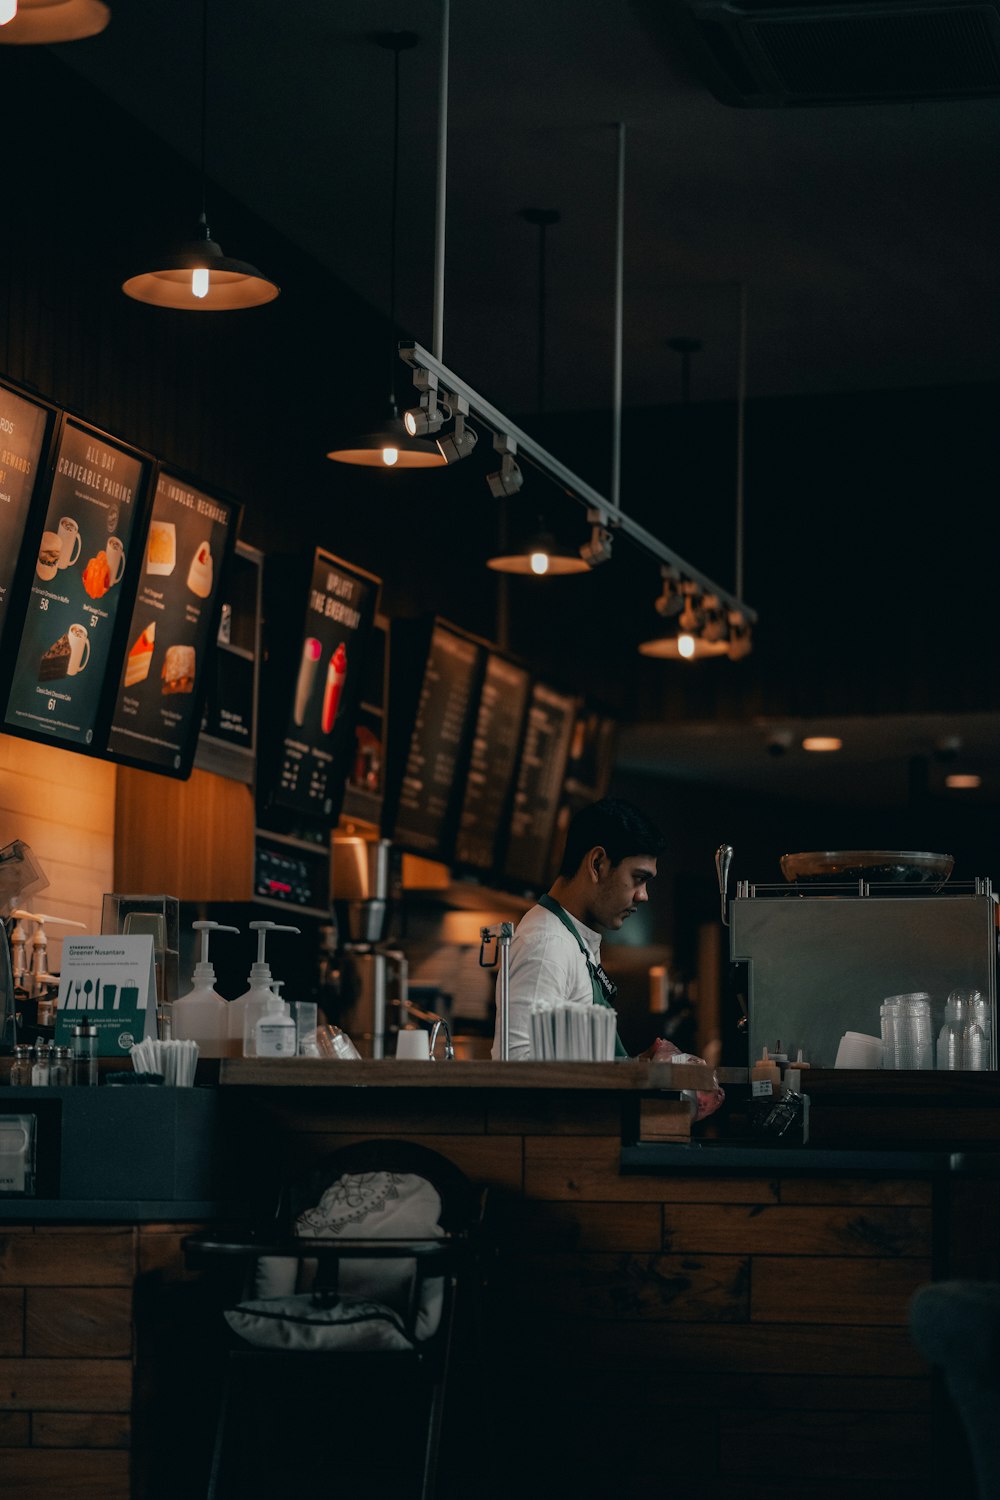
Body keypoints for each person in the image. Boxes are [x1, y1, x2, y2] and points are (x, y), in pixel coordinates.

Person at [492, 797, 666, 1060]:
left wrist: (643, 1066)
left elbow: (582, 1064)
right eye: (638, 879)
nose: (643, 896)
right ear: (597, 863)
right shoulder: (547, 943)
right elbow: (516, 1066)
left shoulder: (572, 938)